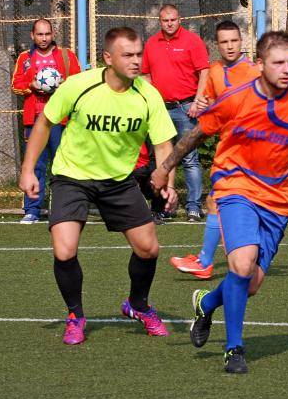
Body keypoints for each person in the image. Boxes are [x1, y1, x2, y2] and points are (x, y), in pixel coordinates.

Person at [152, 31, 288, 374]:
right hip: (235, 187)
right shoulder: (237, 98)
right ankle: (234, 348)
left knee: (250, 283)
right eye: (278, 63)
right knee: (241, 264)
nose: (287, 69)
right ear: (260, 64)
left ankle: (207, 302)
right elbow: (197, 133)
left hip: (279, 201)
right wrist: (164, 168)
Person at [19, 27, 177, 346]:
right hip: (72, 176)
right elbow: (45, 122)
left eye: (138, 54)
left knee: (148, 248)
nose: (136, 61)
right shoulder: (79, 86)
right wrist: (27, 170)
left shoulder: (148, 95)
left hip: (118, 180)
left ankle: (138, 305)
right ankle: (75, 315)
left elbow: (163, 144)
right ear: (108, 58)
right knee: (64, 250)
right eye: (127, 55)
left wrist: (167, 182)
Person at [169, 21, 288, 280]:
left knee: (225, 199)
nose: (230, 46)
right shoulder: (215, 71)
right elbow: (216, 107)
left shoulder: (253, 71)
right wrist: (203, 105)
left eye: (234, 41)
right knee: (224, 200)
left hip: (256, 150)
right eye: (224, 42)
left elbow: (267, 102)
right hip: (231, 148)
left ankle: (205, 261)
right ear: (217, 45)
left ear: (241, 42)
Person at [142, 4, 209, 221]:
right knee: (161, 160)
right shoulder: (151, 43)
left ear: (179, 19)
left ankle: (193, 207)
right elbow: (146, 76)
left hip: (186, 108)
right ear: (160, 22)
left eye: (173, 20)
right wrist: (151, 104)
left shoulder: (192, 41)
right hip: (160, 109)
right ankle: (163, 207)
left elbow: (204, 72)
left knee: (190, 159)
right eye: (165, 20)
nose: (169, 24)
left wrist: (197, 101)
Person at [11, 18, 81, 224]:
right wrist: (31, 85)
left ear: (53, 34)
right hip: (35, 120)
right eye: (40, 34)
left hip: (61, 119)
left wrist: (63, 85)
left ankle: (64, 208)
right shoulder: (25, 58)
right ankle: (32, 209)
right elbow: (15, 84)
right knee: (36, 164)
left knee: (64, 165)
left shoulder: (66, 56)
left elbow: (78, 81)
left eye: (47, 34)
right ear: (32, 35)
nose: (44, 38)